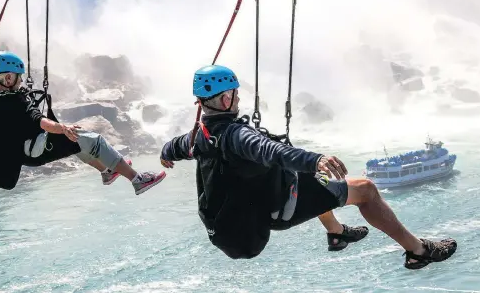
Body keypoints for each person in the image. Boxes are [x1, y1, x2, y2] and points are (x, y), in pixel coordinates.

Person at [159, 64, 457, 269]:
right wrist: (315, 159)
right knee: (365, 190)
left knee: (316, 182)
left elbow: (172, 147)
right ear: (226, 98)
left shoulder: (197, 137)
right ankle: (418, 252)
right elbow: (272, 151)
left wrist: (165, 155)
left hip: (232, 220)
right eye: (235, 93)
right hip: (272, 211)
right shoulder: (238, 136)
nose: (238, 98)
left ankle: (337, 233)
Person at [0, 51, 166, 194]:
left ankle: (106, 171)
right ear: (9, 78)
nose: (21, 82)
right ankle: (137, 180)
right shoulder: (14, 102)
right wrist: (63, 128)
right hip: (31, 151)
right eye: (19, 78)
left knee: (73, 143)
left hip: (21, 151)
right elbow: (41, 121)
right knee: (91, 140)